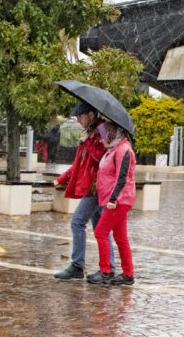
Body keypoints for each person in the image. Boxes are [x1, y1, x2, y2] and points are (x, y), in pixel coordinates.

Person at [53, 103, 116, 281]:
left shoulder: (102, 129)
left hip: (96, 187)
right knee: (100, 228)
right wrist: (62, 178)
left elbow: (104, 156)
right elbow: (79, 162)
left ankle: (77, 266)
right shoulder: (88, 131)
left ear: (90, 114)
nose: (78, 120)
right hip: (91, 185)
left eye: (80, 116)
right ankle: (108, 267)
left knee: (77, 222)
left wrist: (87, 141)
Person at [87, 121, 136, 286]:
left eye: (103, 137)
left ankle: (105, 271)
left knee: (100, 232)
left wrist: (113, 199)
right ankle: (128, 274)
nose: (101, 140)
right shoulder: (114, 149)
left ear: (110, 135)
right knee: (120, 237)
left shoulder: (123, 150)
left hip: (118, 201)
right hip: (116, 200)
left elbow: (123, 178)